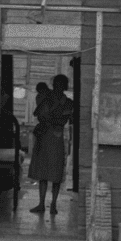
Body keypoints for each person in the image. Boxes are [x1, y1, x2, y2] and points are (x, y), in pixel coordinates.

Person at [27, 73, 73, 215]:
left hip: (52, 136)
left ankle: (50, 204)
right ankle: (45, 204)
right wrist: (55, 118)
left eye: (60, 84)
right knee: (46, 172)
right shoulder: (58, 100)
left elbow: (48, 117)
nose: (58, 87)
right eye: (57, 84)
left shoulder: (63, 101)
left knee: (53, 171)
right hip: (50, 136)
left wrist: (50, 118)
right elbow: (42, 115)